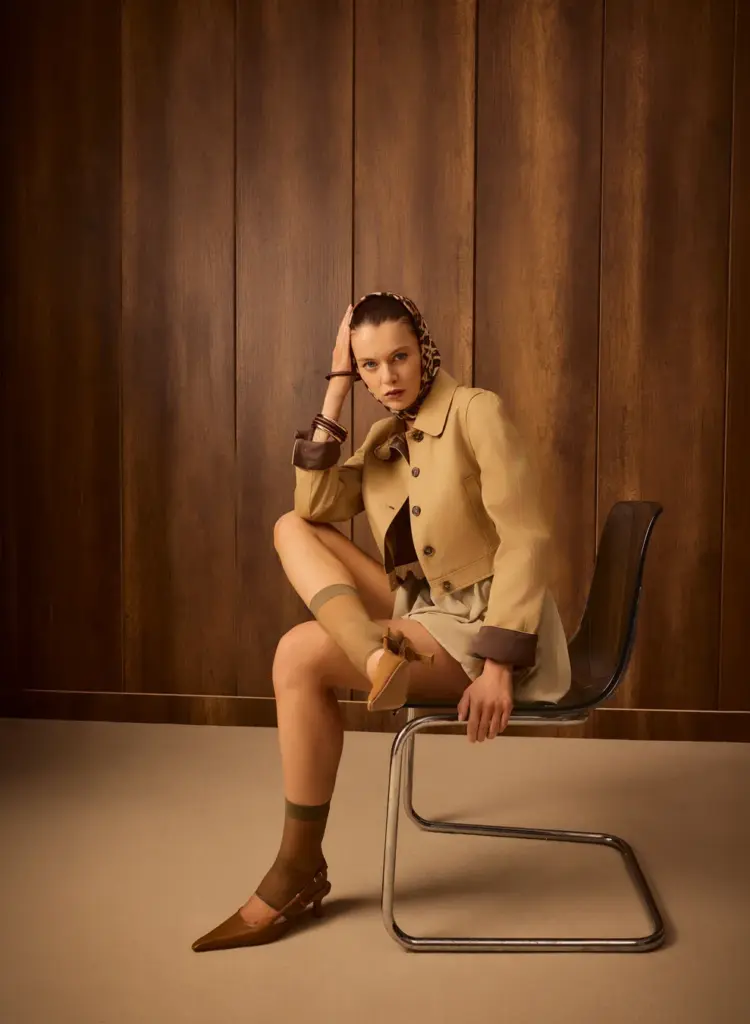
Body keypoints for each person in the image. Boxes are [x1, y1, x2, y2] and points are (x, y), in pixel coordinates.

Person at [192, 292, 571, 953]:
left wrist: (499, 664)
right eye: (369, 366)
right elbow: (313, 505)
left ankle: (296, 869)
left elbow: (526, 538)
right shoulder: (382, 437)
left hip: (483, 626)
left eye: (398, 357)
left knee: (298, 654)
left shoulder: (475, 411)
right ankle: (374, 657)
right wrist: (335, 389)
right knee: (290, 526)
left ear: (424, 351)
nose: (387, 377)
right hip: (420, 611)